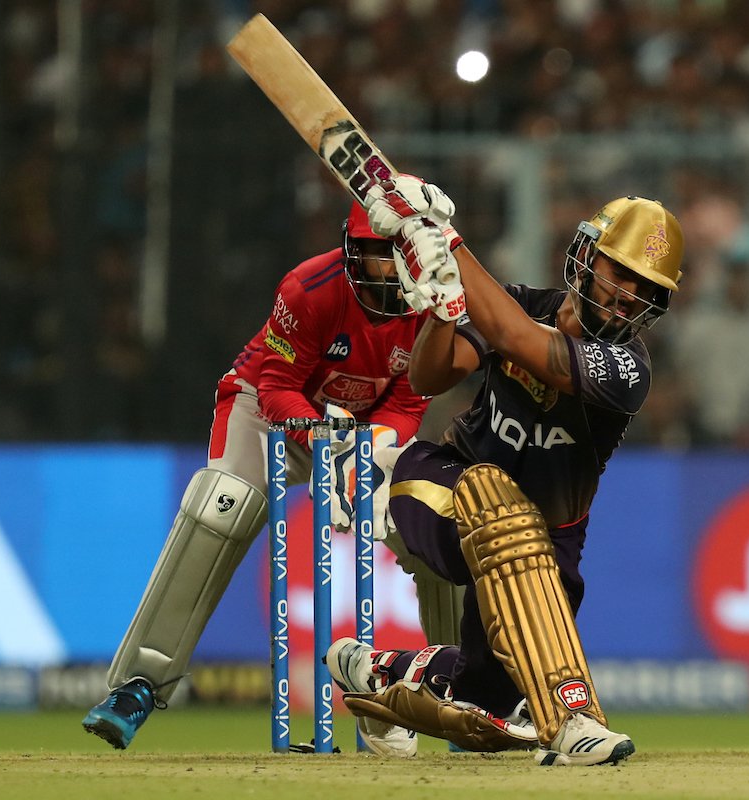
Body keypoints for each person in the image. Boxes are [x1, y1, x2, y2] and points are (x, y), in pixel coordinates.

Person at [325, 177, 684, 766]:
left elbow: (516, 337)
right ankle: (573, 717)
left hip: (543, 550)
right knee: (497, 500)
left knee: (485, 696)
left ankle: (375, 667)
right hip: (442, 485)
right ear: (587, 259)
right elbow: (427, 379)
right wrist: (443, 310)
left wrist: (447, 242)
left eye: (644, 290)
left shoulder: (627, 369)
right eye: (619, 274)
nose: (625, 297)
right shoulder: (519, 300)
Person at [82, 203, 464, 755]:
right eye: (376, 256)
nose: (387, 270)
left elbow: (407, 403)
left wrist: (366, 454)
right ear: (353, 252)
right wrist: (320, 440)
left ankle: (464, 693)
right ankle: (138, 685)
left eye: (395, 256)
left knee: (429, 518)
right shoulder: (311, 286)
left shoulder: (435, 305)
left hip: (362, 431)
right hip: (270, 413)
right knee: (223, 503)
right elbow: (278, 383)